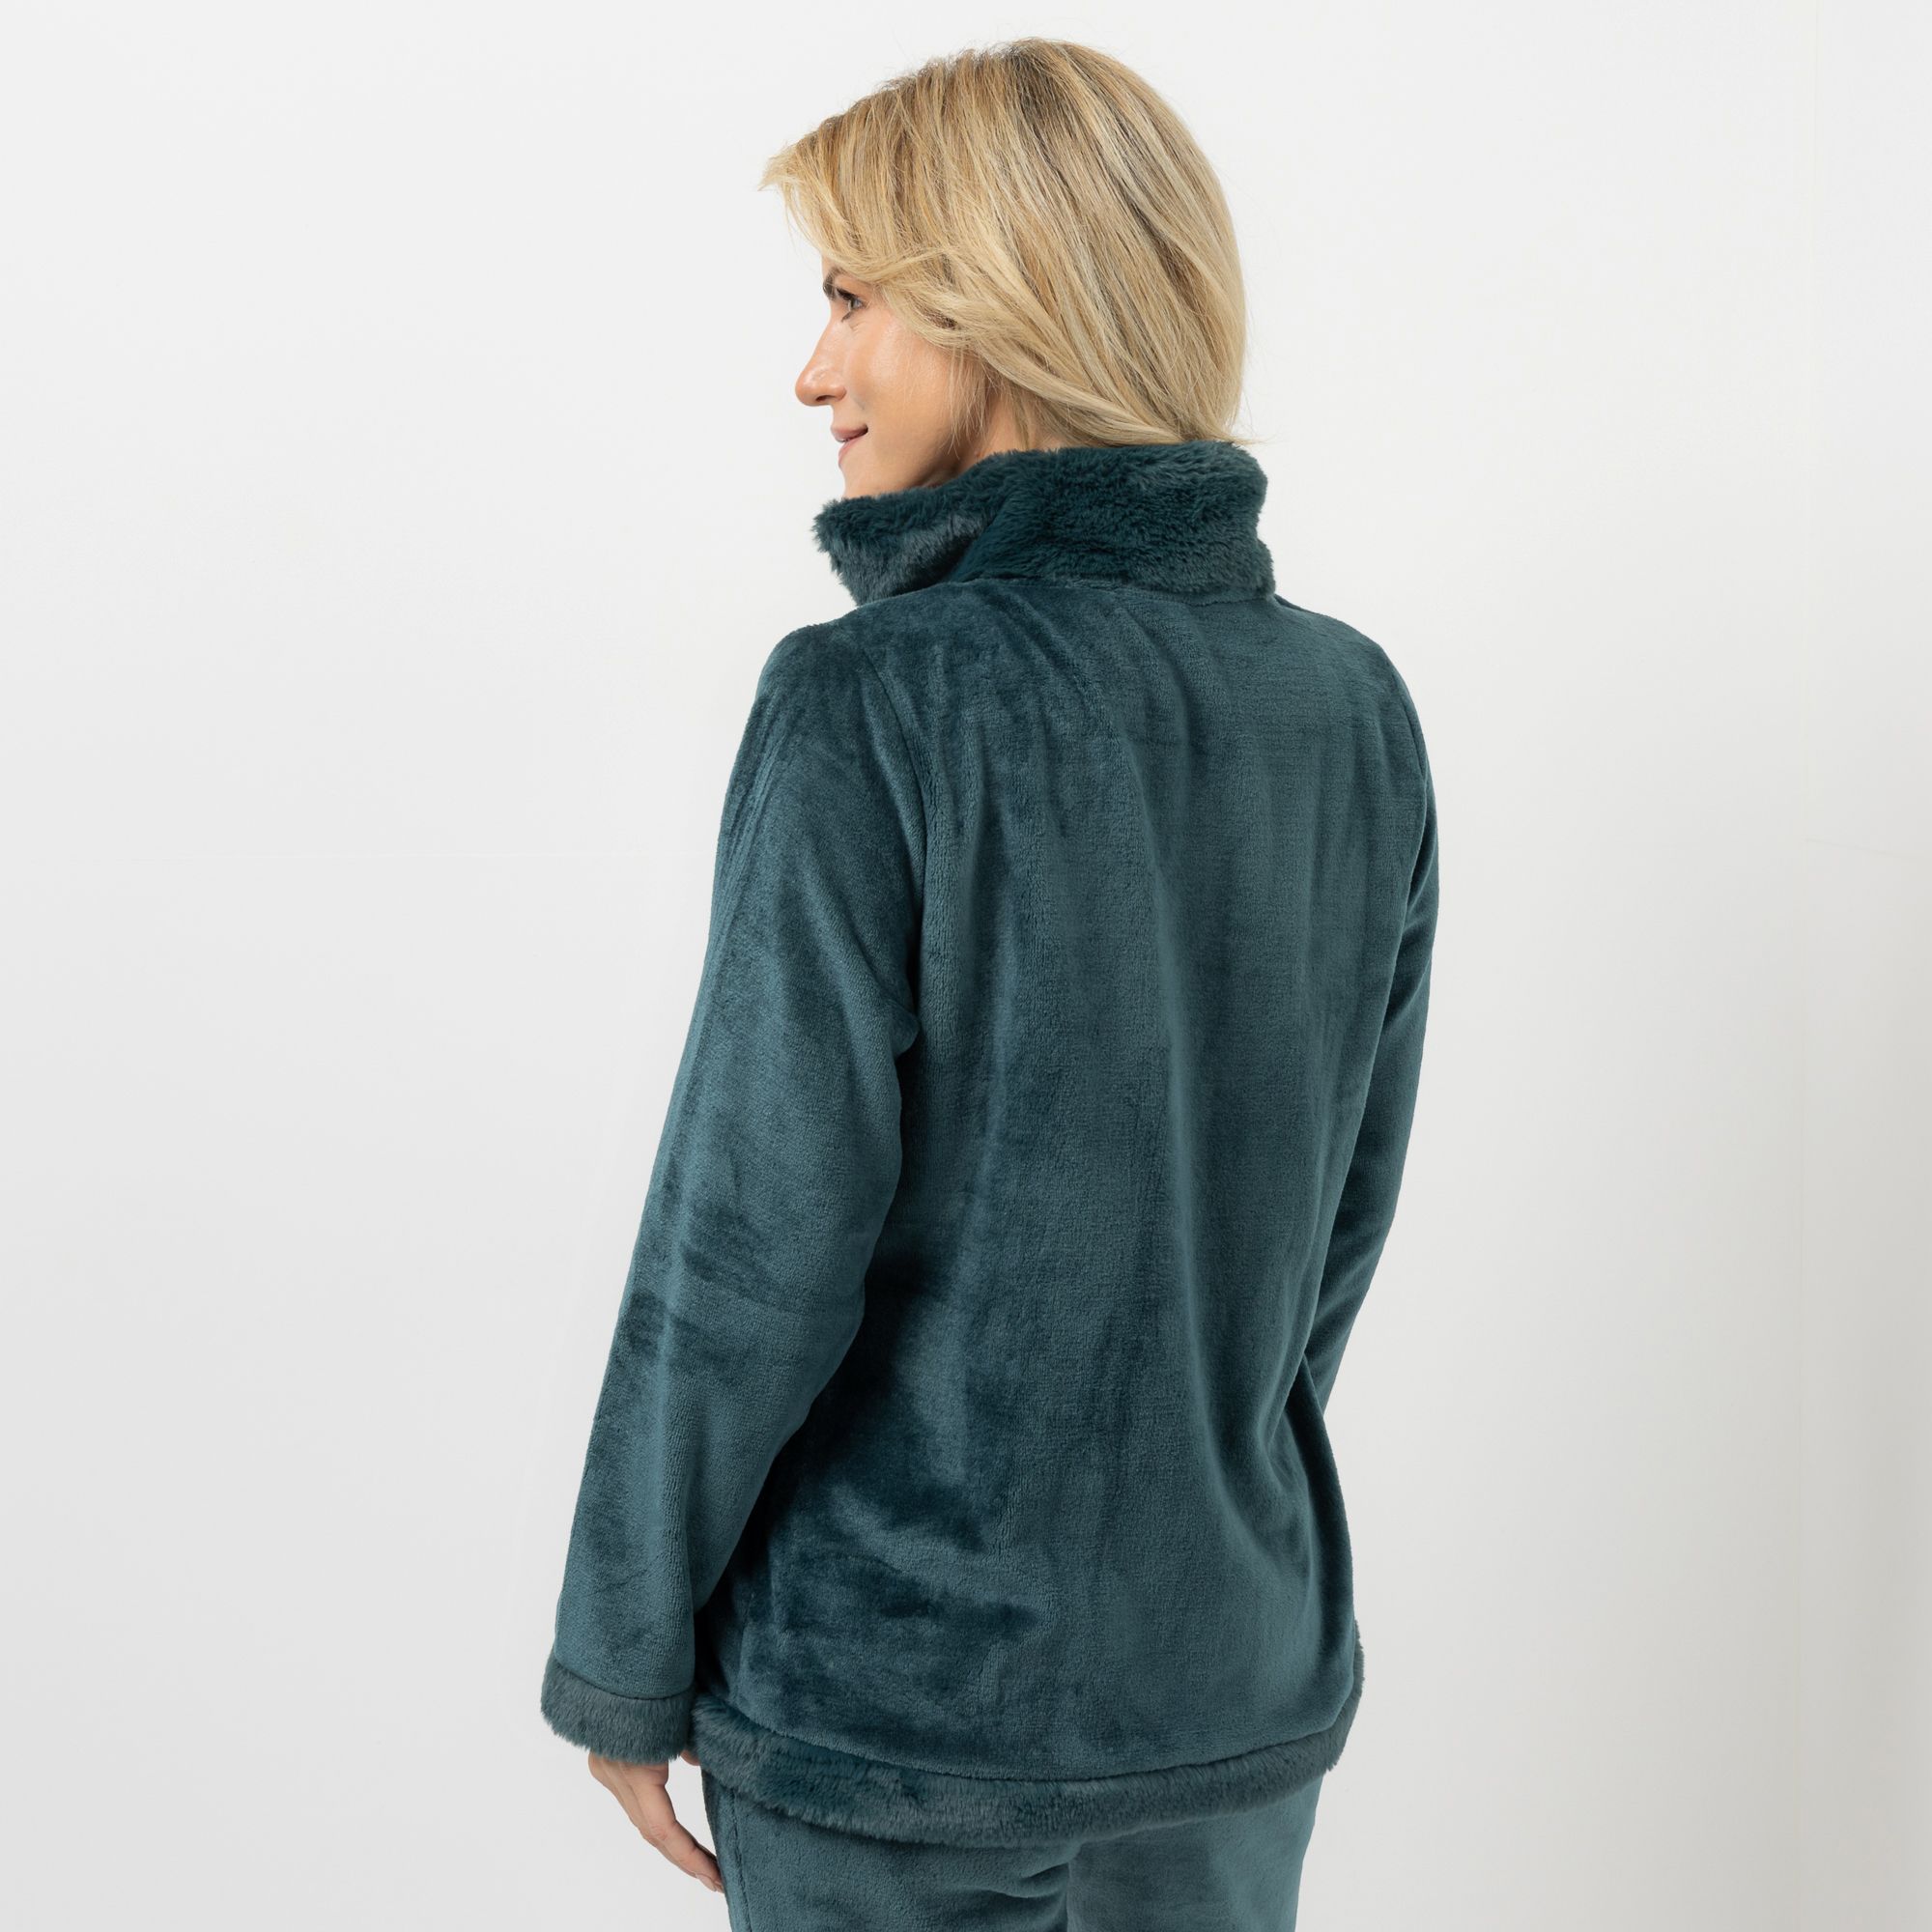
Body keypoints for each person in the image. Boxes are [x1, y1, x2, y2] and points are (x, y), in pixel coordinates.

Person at [539, 37, 1439, 1931]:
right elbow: (1324, 1235)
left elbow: (748, 1236)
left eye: (849, 298)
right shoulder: (1349, 706)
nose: (813, 371)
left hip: (897, 1715)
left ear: (993, 298)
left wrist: (622, 1649)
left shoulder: (870, 699)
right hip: (1229, 1694)